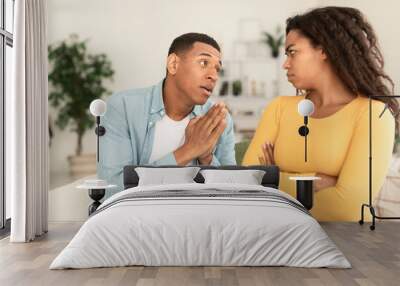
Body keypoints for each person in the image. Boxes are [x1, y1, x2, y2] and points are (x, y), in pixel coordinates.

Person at [243, 7, 398, 221]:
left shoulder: (373, 115)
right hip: (276, 241)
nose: (285, 64)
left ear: (324, 50)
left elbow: (347, 210)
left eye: (292, 52)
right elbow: (246, 186)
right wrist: (314, 184)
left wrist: (274, 179)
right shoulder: (278, 108)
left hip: (344, 245)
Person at [98, 33, 236, 197]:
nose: (213, 76)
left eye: (217, 68)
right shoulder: (122, 107)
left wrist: (206, 157)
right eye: (203, 62)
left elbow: (231, 193)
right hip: (136, 219)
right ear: (173, 64)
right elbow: (113, 189)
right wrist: (189, 150)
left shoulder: (219, 119)